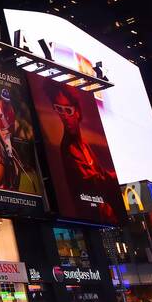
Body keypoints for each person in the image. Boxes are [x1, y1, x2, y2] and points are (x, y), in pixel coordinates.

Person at [49, 85, 120, 222]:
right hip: (93, 216)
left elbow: (101, 175)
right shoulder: (68, 148)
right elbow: (92, 181)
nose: (64, 116)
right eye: (59, 109)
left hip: (105, 214)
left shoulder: (84, 144)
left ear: (78, 112)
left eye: (68, 110)